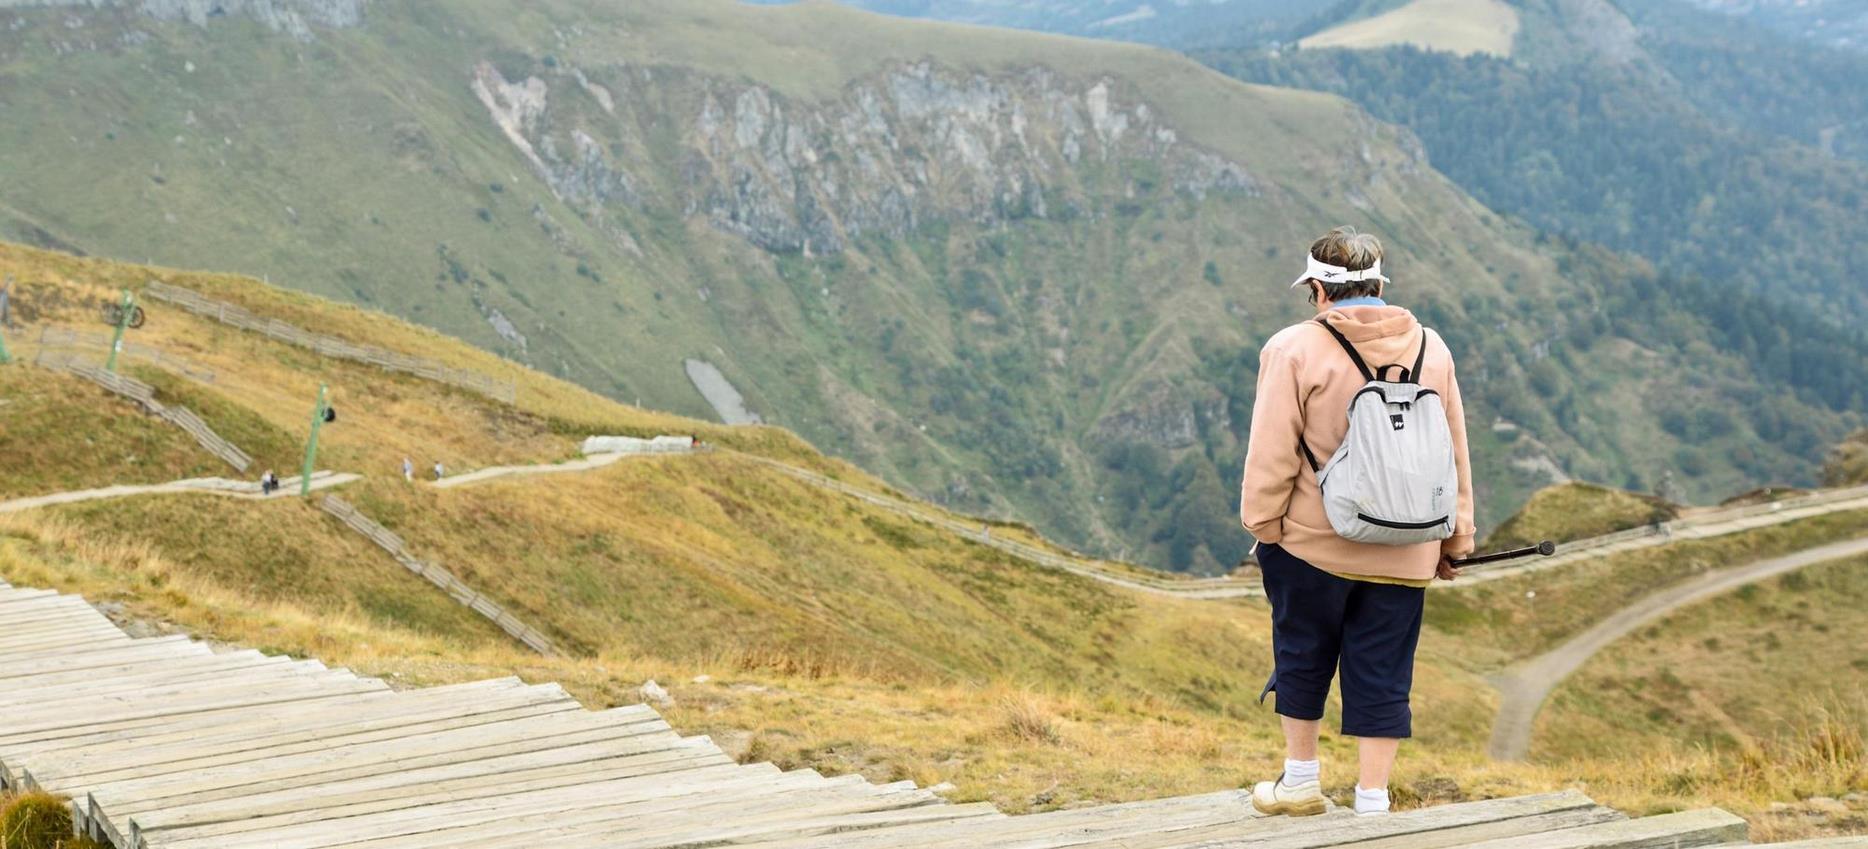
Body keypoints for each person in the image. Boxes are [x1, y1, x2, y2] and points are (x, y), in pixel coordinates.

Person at [1239, 226, 1475, 818]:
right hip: (1409, 548)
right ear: (1377, 285)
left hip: (1313, 547)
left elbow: (1273, 451)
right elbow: (1452, 452)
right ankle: (1372, 799)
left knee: (1302, 651)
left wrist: (1265, 527)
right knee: (1385, 669)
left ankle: (1300, 783)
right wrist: (1456, 538)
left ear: (1318, 289)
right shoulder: (1432, 348)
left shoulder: (1294, 348)